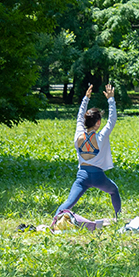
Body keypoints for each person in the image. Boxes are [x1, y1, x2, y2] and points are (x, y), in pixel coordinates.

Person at [52, 83, 121, 229]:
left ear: (85, 121)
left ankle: (53, 222)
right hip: (97, 176)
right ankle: (119, 218)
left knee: (69, 202)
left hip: (82, 175)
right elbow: (112, 120)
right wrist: (111, 99)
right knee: (114, 191)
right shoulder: (101, 136)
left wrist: (85, 98)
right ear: (98, 123)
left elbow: (79, 117)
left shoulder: (78, 133)